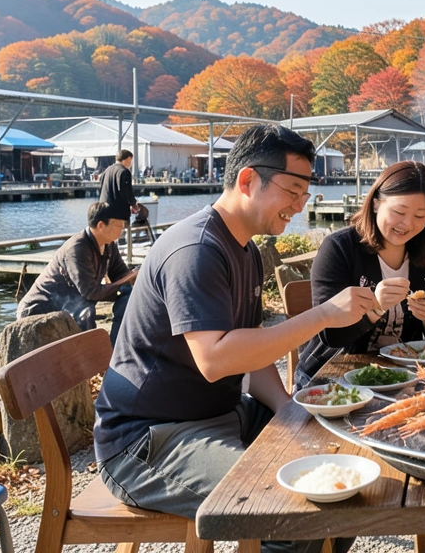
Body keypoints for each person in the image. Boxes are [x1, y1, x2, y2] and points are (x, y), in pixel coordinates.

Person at [94, 124, 377, 553]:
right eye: (292, 191)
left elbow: (251, 347)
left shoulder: (243, 248)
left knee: (340, 466)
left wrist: (287, 407)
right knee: (294, 508)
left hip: (219, 415)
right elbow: (216, 359)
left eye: (305, 194)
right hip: (149, 441)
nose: (300, 206)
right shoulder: (198, 249)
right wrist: (322, 315)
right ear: (247, 180)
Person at [299, 161, 425, 381]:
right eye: (399, 211)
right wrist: (374, 308)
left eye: (420, 216)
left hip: (403, 375)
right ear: (376, 203)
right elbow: (331, 335)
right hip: (332, 375)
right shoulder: (339, 248)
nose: (407, 224)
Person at [17, 202, 139, 339]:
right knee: (85, 310)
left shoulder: (109, 244)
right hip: (41, 308)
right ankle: (89, 355)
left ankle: (116, 345)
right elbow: (90, 292)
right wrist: (127, 278)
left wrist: (137, 275)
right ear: (101, 225)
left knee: (129, 295)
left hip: (71, 302)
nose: (122, 229)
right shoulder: (77, 248)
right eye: (119, 225)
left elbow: (120, 274)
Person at [100, 149, 139, 218]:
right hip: (118, 212)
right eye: (130, 160)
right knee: (121, 228)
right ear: (125, 159)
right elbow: (126, 191)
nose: (131, 163)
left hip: (103, 209)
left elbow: (102, 187)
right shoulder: (124, 172)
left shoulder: (107, 170)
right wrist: (134, 204)